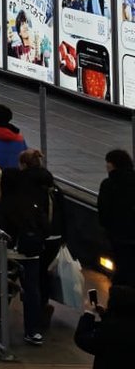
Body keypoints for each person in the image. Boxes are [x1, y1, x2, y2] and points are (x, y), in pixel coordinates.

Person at [0, 148, 65, 345]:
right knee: (32, 289)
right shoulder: (47, 190)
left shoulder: (7, 201)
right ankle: (33, 330)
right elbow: (47, 223)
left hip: (10, 251)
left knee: (4, 286)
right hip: (33, 250)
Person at [99, 148, 135, 289]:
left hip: (118, 235)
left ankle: (121, 293)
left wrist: (108, 228)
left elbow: (103, 211)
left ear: (112, 164)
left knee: (121, 267)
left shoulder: (108, 184)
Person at [76, 284, 135, 366]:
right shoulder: (127, 323)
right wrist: (104, 315)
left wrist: (89, 313)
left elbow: (82, 338)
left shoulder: (112, 331)